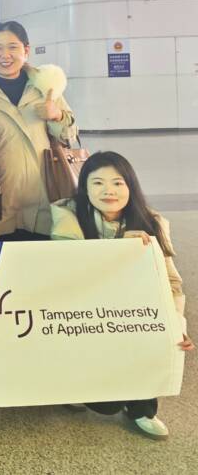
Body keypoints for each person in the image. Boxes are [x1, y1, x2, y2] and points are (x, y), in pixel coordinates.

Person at [50, 151, 193, 439]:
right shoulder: (67, 216)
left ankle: (143, 409)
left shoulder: (151, 221)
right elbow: (70, 271)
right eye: (98, 183)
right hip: (86, 314)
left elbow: (171, 282)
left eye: (118, 183)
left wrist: (176, 323)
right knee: (105, 404)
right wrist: (119, 249)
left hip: (132, 313)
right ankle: (76, 385)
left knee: (156, 334)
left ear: (131, 186)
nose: (109, 191)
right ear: (85, 187)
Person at [0, 21, 78, 241]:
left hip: (45, 197)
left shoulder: (46, 86)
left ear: (26, 50)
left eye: (13, 47)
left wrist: (57, 116)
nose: (5, 55)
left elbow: (70, 135)